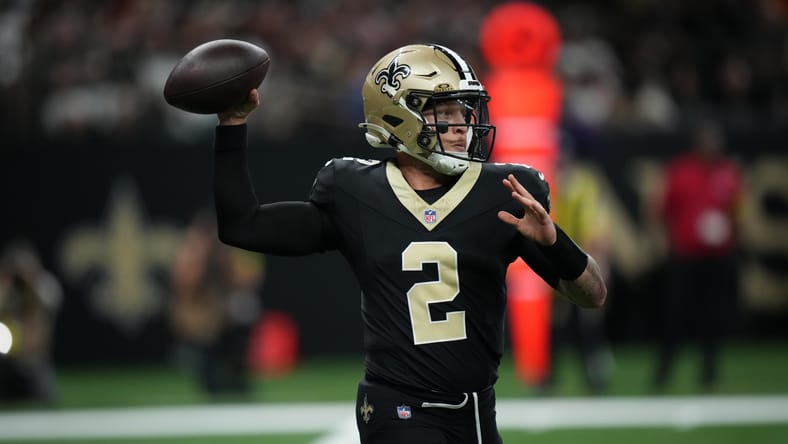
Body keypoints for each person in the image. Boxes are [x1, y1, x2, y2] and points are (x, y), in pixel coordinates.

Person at [211, 43, 606, 443]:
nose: (461, 126)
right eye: (444, 112)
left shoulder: (501, 192)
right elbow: (243, 226)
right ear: (398, 115)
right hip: (397, 410)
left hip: (477, 411)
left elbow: (593, 294)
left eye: (464, 111)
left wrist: (555, 242)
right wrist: (231, 123)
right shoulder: (355, 191)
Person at [651, 119, 743, 392]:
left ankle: (709, 373)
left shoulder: (728, 172)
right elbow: (663, 210)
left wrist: (733, 237)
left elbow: (737, 212)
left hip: (718, 257)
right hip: (686, 256)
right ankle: (664, 372)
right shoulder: (681, 171)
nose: (712, 145)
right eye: (707, 140)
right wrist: (672, 241)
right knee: (675, 315)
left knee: (713, 316)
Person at [541, 145, 614, 395]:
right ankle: (549, 375)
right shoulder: (551, 183)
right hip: (559, 260)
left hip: (581, 258)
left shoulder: (582, 184)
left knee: (588, 321)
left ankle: (594, 373)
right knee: (558, 322)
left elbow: (593, 223)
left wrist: (595, 258)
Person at [169, 210, 264, 396]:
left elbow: (251, 279)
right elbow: (185, 287)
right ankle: (206, 372)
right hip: (197, 312)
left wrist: (224, 260)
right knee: (204, 325)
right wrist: (201, 256)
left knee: (245, 307)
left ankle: (236, 372)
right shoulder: (189, 255)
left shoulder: (225, 252)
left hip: (222, 312)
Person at [0, 240, 62, 404]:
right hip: (5, 362)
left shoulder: (45, 286)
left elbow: (48, 303)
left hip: (34, 362)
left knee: (42, 393)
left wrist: (32, 284)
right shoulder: (5, 289)